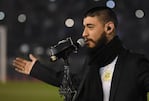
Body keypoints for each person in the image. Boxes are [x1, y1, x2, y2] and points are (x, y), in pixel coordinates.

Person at [12, 6, 149, 101]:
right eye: (84, 27)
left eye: (90, 27)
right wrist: (37, 70)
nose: (84, 34)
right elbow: (72, 82)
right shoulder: (91, 65)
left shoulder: (135, 64)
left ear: (109, 28)